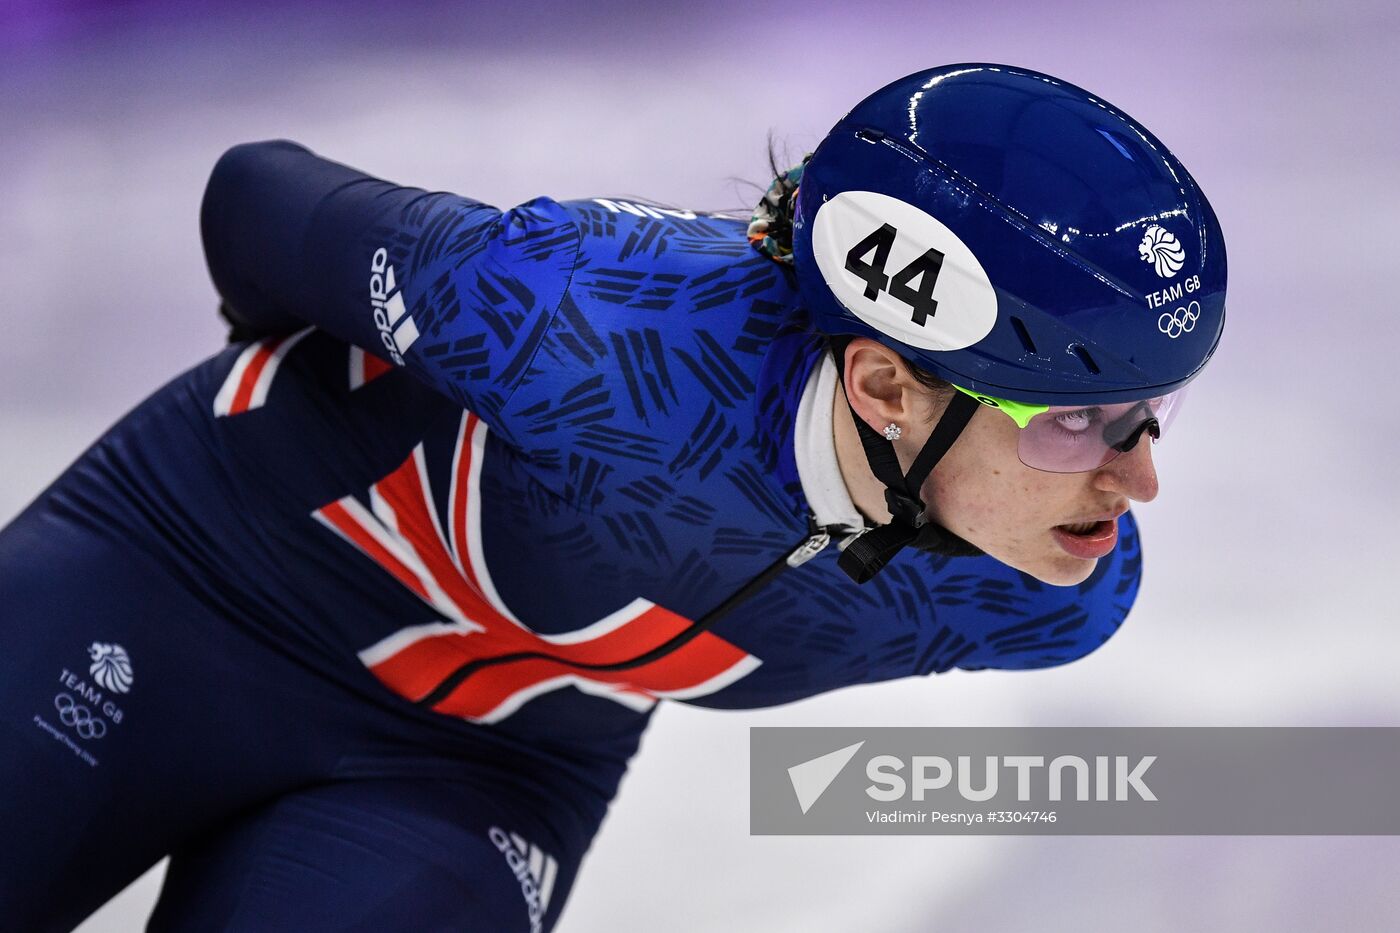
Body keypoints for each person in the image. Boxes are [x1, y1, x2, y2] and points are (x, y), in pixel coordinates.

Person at [0, 63, 1224, 931]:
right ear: (885, 386)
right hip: (195, 573)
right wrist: (288, 404)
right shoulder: (579, 320)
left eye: (1150, 409)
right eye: (1075, 420)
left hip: (478, 760)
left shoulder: (1048, 590)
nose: (1139, 479)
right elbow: (255, 194)